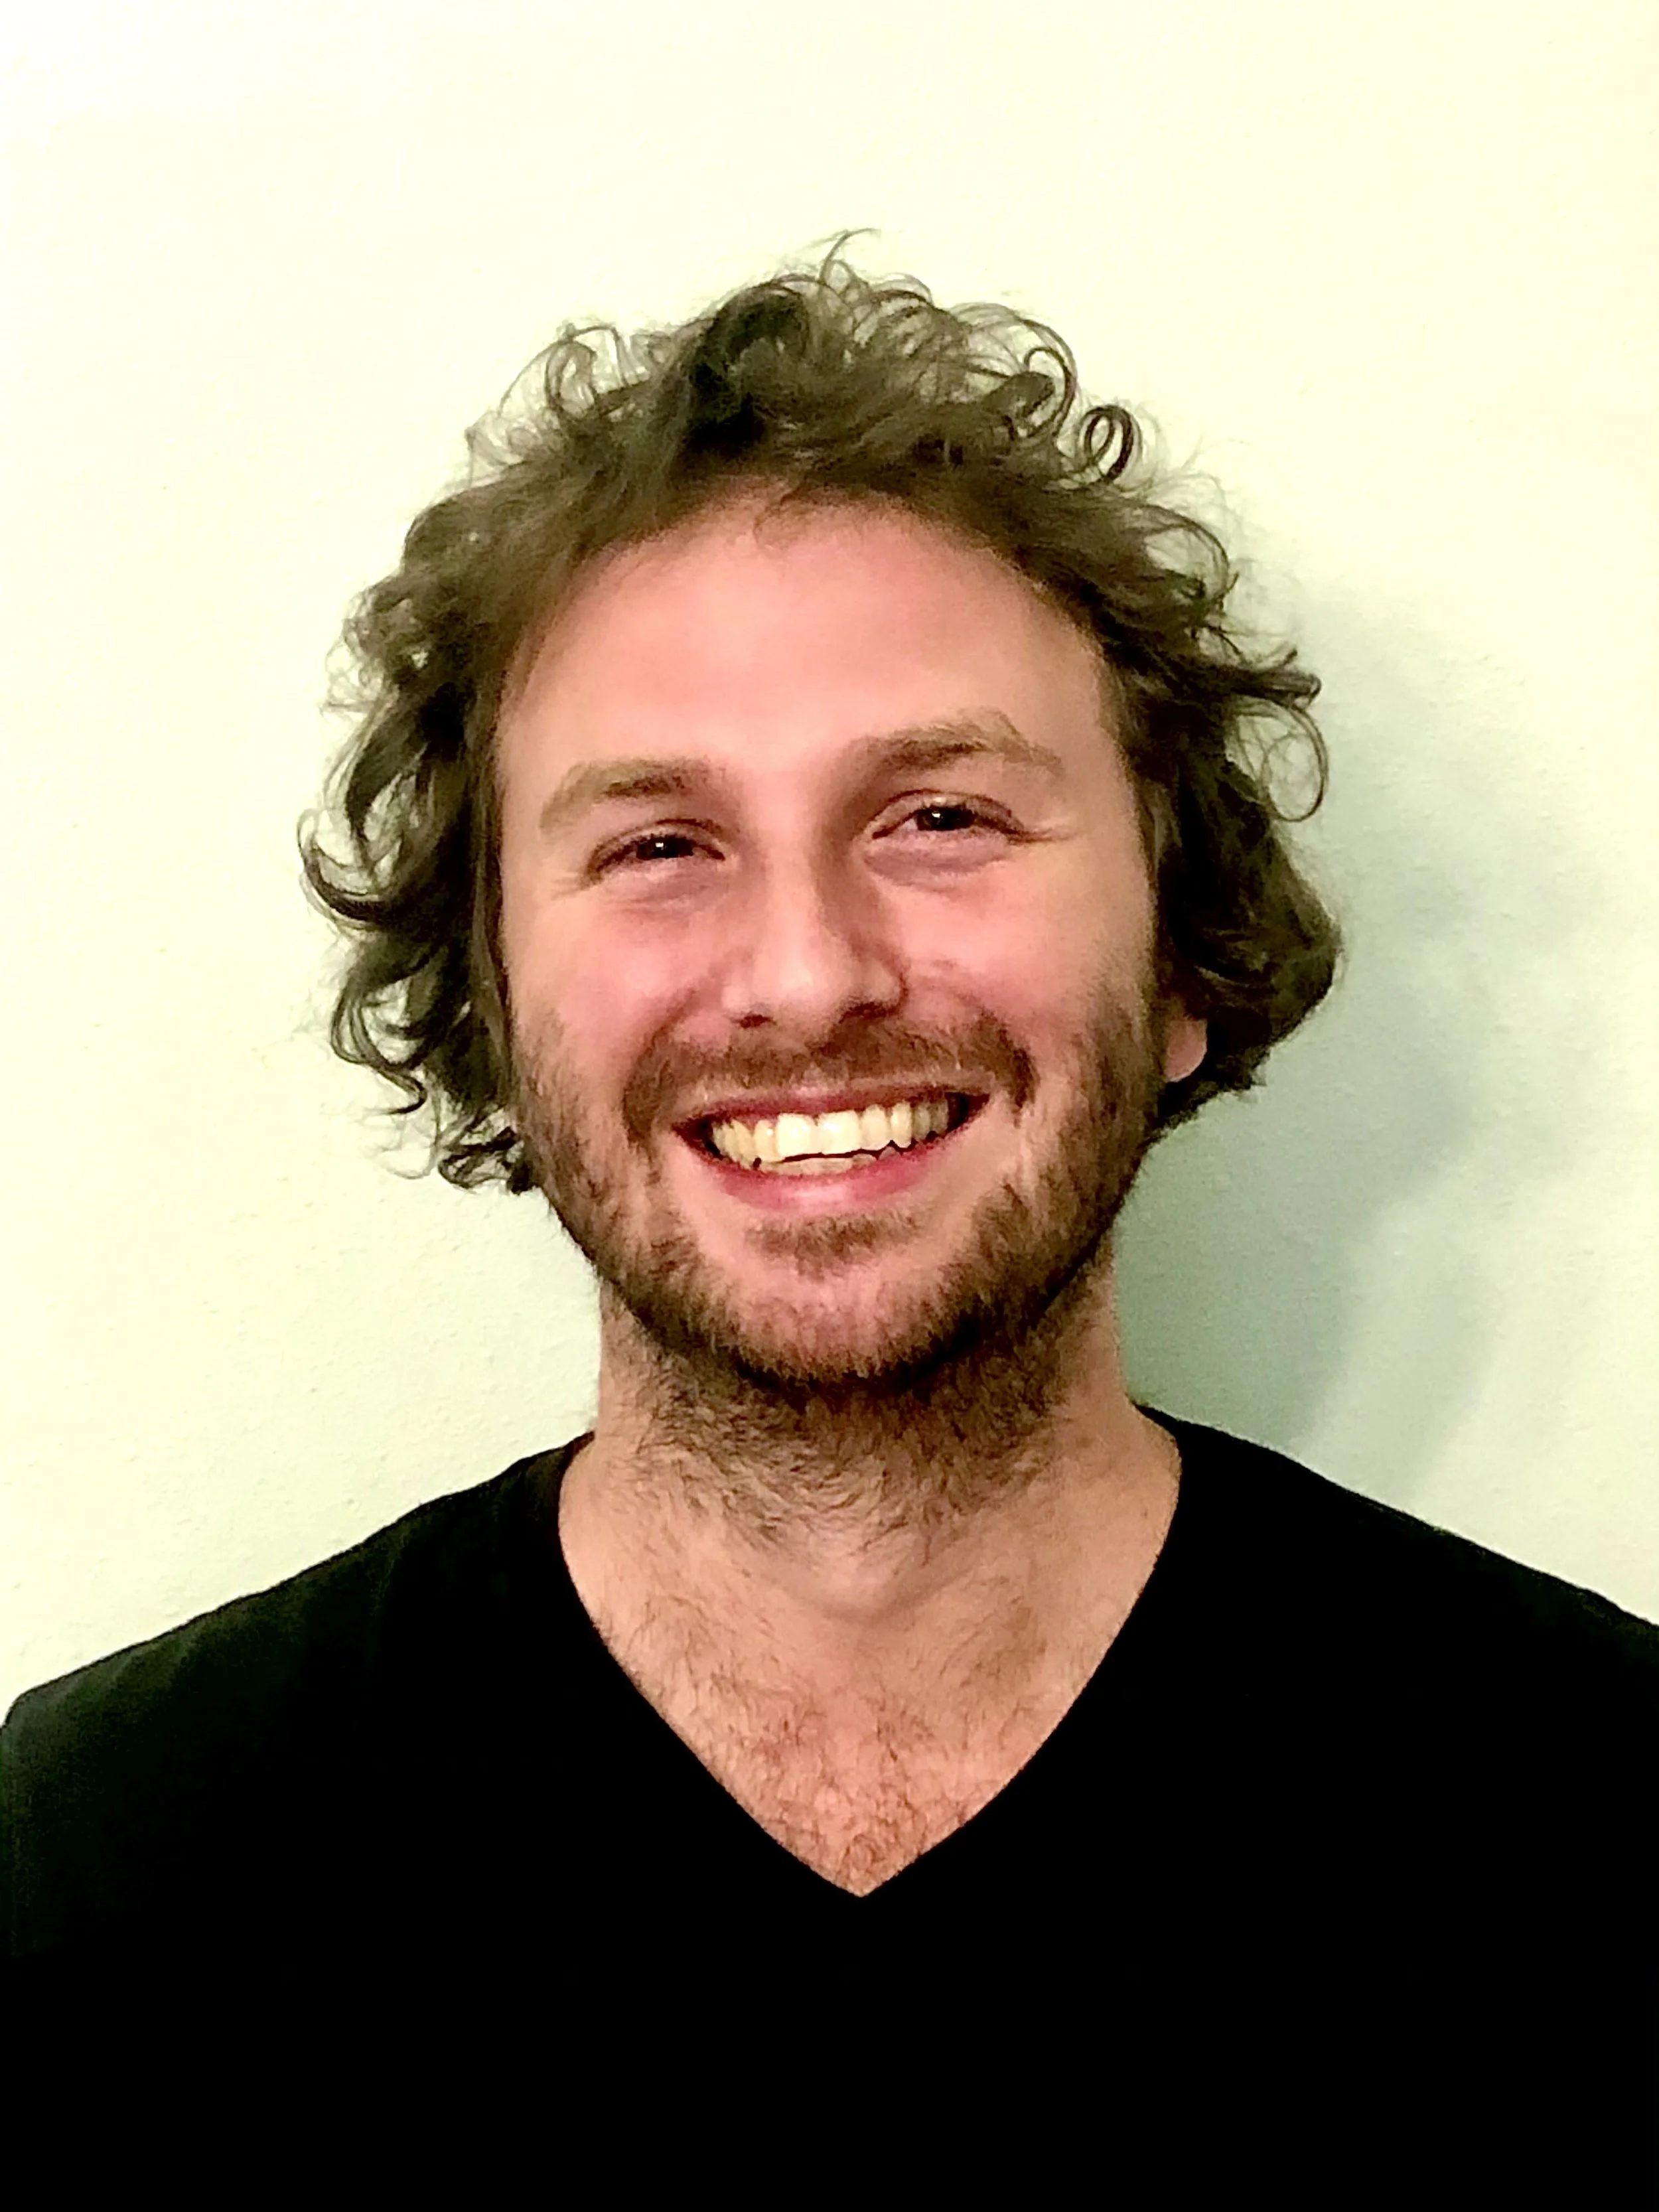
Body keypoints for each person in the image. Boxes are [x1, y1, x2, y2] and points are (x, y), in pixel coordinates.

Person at [4, 245, 1654, 2181]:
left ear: (1184, 946)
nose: (803, 975)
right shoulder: (99, 1872)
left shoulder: (1608, 1833)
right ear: (496, 1005)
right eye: (658, 845)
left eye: (938, 816)